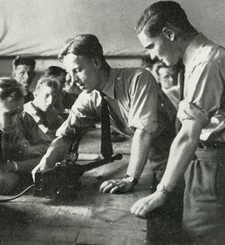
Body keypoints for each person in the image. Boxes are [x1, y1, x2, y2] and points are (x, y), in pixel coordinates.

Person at [130, 1, 225, 243]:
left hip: (218, 168)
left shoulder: (207, 62)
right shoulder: (197, 60)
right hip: (212, 164)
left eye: (151, 46)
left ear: (169, 33)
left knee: (204, 237)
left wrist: (161, 192)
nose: (151, 55)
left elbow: (189, 134)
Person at [32, 34, 180, 242]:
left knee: (172, 224)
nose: (72, 80)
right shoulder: (89, 97)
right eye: (69, 72)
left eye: (77, 70)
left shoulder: (138, 78)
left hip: (175, 152)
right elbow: (66, 135)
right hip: (150, 154)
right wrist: (46, 161)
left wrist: (129, 178)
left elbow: (143, 131)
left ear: (97, 61)